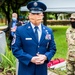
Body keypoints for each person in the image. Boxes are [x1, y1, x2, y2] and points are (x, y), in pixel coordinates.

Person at [11, 1, 56, 75]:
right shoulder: (20, 30)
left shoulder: (48, 31)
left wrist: (45, 57)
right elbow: (15, 49)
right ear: (29, 15)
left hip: (41, 70)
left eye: (38, 14)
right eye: (33, 14)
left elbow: (52, 48)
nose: (35, 16)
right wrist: (30, 58)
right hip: (26, 70)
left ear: (42, 15)